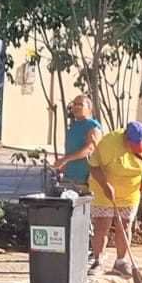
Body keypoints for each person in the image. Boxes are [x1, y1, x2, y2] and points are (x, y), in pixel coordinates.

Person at [88, 120, 142, 276]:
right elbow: (94, 166)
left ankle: (121, 261)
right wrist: (105, 185)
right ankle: (98, 260)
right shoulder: (109, 142)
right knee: (102, 225)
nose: (138, 150)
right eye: (134, 146)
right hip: (104, 189)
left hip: (130, 192)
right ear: (126, 139)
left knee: (125, 225)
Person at [53, 95, 106, 267]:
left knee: (85, 217)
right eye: (74, 104)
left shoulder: (93, 127)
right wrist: (63, 165)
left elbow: (90, 149)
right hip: (70, 178)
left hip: (86, 178)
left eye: (80, 104)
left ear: (89, 108)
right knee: (71, 216)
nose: (75, 107)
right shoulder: (74, 126)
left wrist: (65, 159)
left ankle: (93, 254)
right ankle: (73, 250)